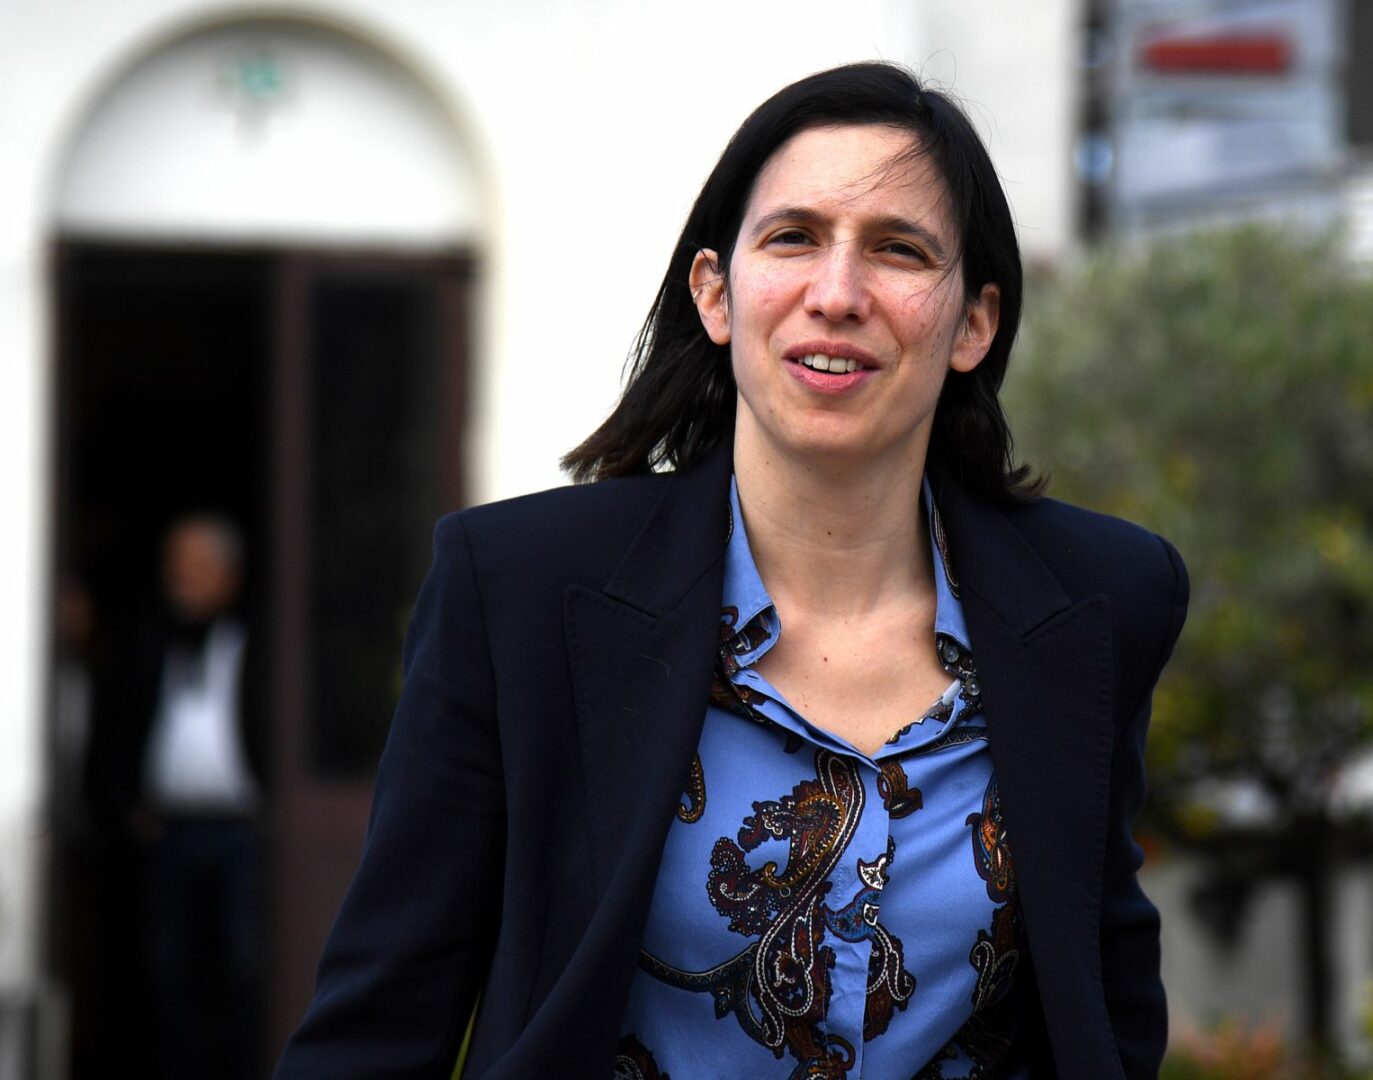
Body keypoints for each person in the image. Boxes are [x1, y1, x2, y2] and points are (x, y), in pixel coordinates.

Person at [277, 62, 1187, 1079]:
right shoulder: (518, 592)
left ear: (972, 323)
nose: (836, 295)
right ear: (715, 292)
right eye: (793, 237)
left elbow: (1106, 1010)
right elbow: (379, 1026)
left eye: (898, 250)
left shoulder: (1096, 603)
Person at [87, 513, 267, 1078]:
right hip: (169, 831)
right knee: (167, 969)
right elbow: (112, 731)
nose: (181, 577)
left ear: (229, 575)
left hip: (239, 830)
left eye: (197, 565)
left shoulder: (260, 643)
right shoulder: (147, 643)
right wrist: (128, 808)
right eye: (175, 564)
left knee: (243, 965)